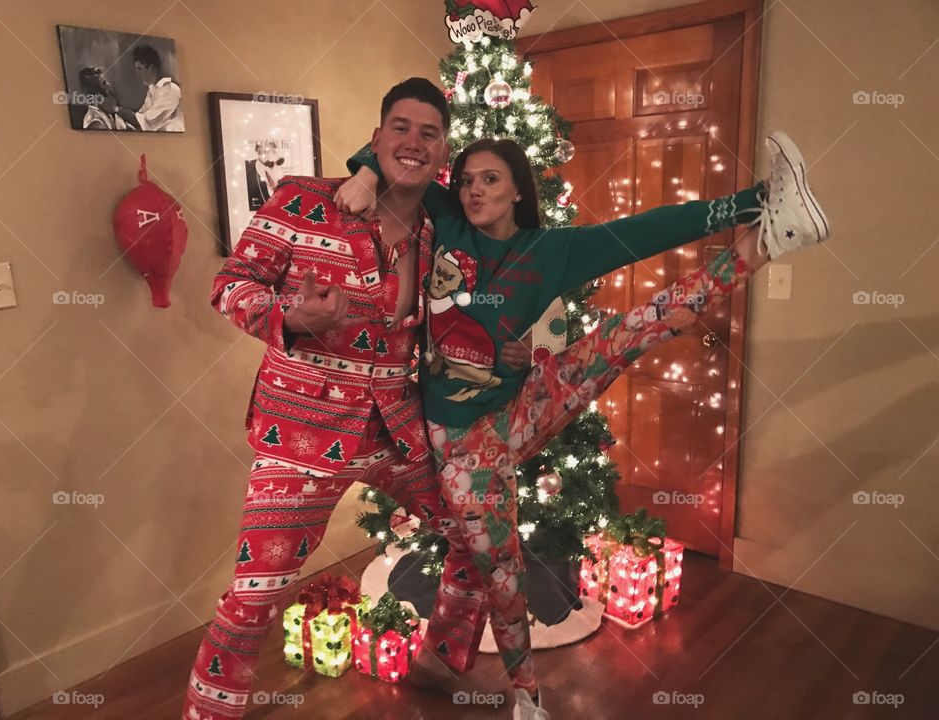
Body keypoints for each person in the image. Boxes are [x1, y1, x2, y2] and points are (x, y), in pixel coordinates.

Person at [336, 127, 830, 718]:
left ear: (518, 188)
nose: (472, 190)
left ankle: (769, 235)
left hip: (520, 409)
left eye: (490, 179)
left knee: (635, 329)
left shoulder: (550, 252)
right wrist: (365, 172)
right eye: (466, 180)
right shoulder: (447, 221)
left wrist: (747, 200)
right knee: (501, 570)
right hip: (466, 448)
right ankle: (528, 700)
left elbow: (649, 229)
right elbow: (405, 162)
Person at [182, 78, 521, 720]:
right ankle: (208, 712)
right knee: (257, 593)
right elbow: (230, 284)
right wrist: (293, 319)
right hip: (301, 432)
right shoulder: (305, 202)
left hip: (397, 428)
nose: (413, 141)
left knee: (480, 540)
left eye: (429, 132)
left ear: (443, 152)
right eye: (400, 126)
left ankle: (439, 663)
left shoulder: (441, 227)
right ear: (376, 136)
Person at [103, 44, 185, 132]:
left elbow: (143, 120)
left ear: (151, 68)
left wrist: (115, 109)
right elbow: (140, 115)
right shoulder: (152, 91)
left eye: (139, 69)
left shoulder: (171, 90)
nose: (138, 74)